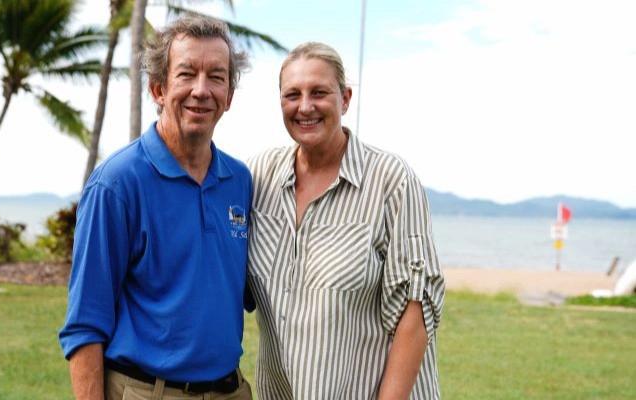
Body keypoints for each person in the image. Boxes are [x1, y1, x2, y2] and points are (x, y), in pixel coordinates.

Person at [59, 16, 253, 400]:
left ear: (229, 96)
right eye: (186, 74)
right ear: (158, 88)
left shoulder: (240, 180)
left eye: (216, 76)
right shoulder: (116, 183)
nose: (201, 90)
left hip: (231, 391)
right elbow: (85, 326)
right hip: (147, 392)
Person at [246, 42, 445, 399]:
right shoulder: (259, 178)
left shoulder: (391, 179)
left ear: (345, 99)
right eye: (293, 94)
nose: (305, 106)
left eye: (319, 92)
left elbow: (417, 308)